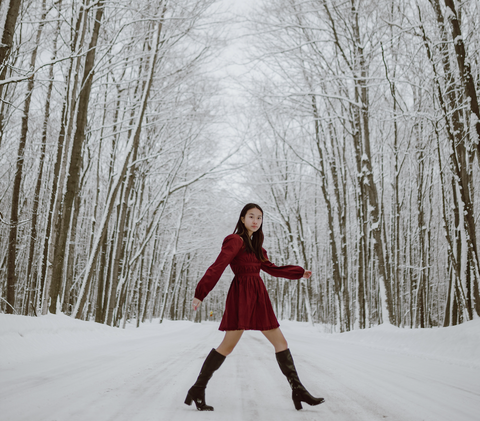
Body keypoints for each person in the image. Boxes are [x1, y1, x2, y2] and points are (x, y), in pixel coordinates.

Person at [184, 203, 325, 411]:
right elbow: (219, 265)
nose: (255, 221)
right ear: (242, 219)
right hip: (241, 295)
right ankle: (198, 388)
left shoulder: (258, 247)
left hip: (259, 296)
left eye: (259, 217)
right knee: (228, 345)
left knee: (281, 342)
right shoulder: (234, 241)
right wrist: (200, 293)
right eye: (251, 216)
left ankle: (298, 390)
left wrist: (298, 272)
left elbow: (271, 269)